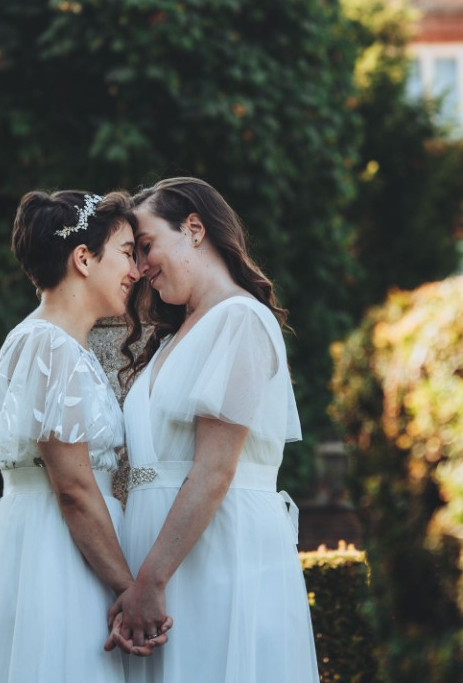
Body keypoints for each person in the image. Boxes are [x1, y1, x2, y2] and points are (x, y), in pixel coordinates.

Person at [0, 189, 170, 683]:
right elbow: (72, 488)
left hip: (64, 546)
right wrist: (128, 590)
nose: (136, 270)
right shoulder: (49, 344)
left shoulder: (59, 342)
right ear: (83, 259)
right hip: (58, 553)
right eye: (127, 253)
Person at [106, 177, 320, 682]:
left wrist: (151, 582)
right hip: (160, 559)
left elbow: (214, 470)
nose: (139, 268)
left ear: (194, 229)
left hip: (216, 554)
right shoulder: (173, 337)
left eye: (147, 246)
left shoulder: (240, 319)